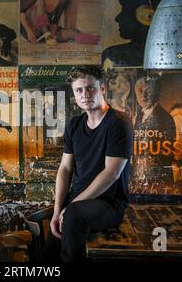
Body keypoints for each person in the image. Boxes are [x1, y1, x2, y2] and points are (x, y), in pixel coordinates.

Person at [42, 66, 133, 262]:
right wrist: (58, 209)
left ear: (103, 89)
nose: (85, 94)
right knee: (48, 254)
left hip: (108, 203)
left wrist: (71, 206)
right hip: (77, 202)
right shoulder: (74, 125)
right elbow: (65, 169)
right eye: (79, 90)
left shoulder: (119, 122)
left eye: (90, 88)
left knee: (73, 216)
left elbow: (111, 173)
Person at [101, 0, 169, 67]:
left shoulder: (113, 55)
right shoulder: (172, 54)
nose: (117, 18)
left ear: (147, 16)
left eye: (125, 11)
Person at [20, 0, 100, 45]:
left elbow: (55, 22)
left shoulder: (62, 1)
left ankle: (98, 40)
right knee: (40, 2)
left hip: (44, 35)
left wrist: (52, 35)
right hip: (31, 30)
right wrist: (29, 32)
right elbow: (21, 12)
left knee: (72, 33)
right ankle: (47, 35)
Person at [133, 76, 176, 185]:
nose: (143, 96)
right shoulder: (138, 116)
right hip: (141, 178)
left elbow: (168, 154)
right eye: (140, 91)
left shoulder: (165, 118)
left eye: (148, 91)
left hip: (159, 180)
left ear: (156, 92)